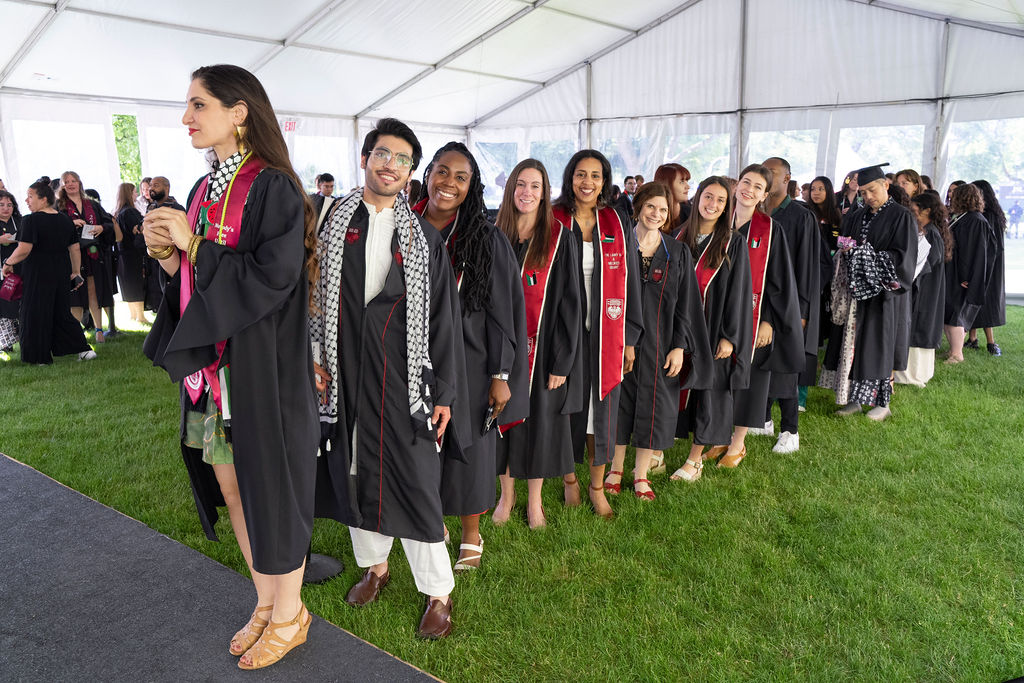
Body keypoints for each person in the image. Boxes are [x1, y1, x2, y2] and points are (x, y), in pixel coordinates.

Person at [141, 64, 319, 670]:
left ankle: (292, 614)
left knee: (272, 484)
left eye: (198, 105)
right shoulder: (202, 189)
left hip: (261, 369)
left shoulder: (274, 188)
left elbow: (274, 278)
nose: (186, 118)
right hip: (216, 374)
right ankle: (268, 601)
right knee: (234, 484)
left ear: (239, 112)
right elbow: (198, 283)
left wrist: (195, 244)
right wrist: (169, 255)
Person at [309, 118, 468, 640]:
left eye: (402, 159)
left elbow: (443, 319)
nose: (390, 164)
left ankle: (437, 591)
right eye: (382, 153)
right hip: (344, 371)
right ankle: (375, 567)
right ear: (365, 157)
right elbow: (306, 296)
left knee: (417, 480)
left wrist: (443, 390)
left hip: (404, 376)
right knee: (352, 467)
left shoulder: (423, 237)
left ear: (410, 172)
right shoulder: (330, 222)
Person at [411, 142, 528, 572]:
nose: (449, 183)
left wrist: (501, 373)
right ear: (427, 174)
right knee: (423, 444)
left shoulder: (485, 237)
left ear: (472, 185)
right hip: (414, 355)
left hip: (472, 362)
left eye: (461, 177)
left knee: (471, 449)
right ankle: (432, 520)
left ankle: (471, 535)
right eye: (442, 172)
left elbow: (502, 313)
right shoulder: (403, 226)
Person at [552, 150, 643, 519]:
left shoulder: (616, 221)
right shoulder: (554, 218)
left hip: (607, 331)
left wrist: (631, 337)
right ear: (569, 178)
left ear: (605, 181)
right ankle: (568, 479)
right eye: (580, 174)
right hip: (563, 333)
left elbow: (632, 280)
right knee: (564, 407)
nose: (587, 182)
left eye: (595, 175)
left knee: (599, 412)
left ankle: (596, 486)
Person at [607, 181, 710, 499]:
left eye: (663, 209)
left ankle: (641, 476)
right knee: (620, 404)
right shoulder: (619, 247)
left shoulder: (676, 251)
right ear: (638, 207)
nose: (656, 213)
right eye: (651, 206)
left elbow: (686, 306)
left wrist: (679, 346)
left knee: (653, 408)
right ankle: (614, 469)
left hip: (662, 343)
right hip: (619, 340)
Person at [493, 159, 581, 529]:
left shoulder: (560, 237)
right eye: (521, 184)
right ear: (511, 188)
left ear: (545, 193)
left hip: (542, 349)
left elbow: (571, 303)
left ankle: (534, 502)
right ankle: (506, 496)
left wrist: (562, 362)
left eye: (536, 186)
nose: (527, 193)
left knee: (540, 425)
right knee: (502, 422)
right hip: (502, 350)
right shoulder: (494, 234)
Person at [819, 164, 917, 422]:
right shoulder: (856, 215)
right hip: (853, 292)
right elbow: (843, 242)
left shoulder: (901, 216)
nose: (868, 196)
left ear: (886, 185)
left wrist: (865, 257)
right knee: (850, 345)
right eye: (863, 192)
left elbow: (903, 257)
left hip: (882, 295)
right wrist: (847, 250)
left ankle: (882, 403)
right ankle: (853, 399)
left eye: (872, 190)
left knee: (877, 346)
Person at [671, 176, 752, 482]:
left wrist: (730, 337)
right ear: (697, 199)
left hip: (713, 329)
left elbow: (739, 293)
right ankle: (657, 452)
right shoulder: (678, 237)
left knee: (709, 394)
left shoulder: (733, 242)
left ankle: (695, 460)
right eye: (708, 197)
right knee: (671, 389)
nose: (713, 205)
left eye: (720, 200)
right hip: (678, 332)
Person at [721, 164, 802, 466]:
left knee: (749, 379)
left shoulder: (770, 230)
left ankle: (737, 444)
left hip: (753, 318)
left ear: (765, 194)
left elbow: (779, 281)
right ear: (736, 185)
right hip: (718, 315)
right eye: (745, 182)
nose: (749, 190)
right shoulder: (718, 221)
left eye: (757, 187)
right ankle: (718, 436)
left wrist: (767, 318)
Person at [760, 157, 821, 452]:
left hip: (789, 303)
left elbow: (808, 267)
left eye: (772, 173)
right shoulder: (756, 213)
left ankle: (790, 431)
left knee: (785, 366)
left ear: (787, 179)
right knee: (761, 363)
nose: (766, 177)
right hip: (759, 305)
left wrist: (803, 311)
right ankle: (762, 419)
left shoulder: (800, 216)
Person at [2, 181, 94, 363]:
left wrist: (8, 262)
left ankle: (39, 357)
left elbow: (24, 249)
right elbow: (74, 248)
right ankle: (84, 350)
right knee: (61, 313)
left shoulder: (31, 220)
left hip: (37, 274)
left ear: (44, 199)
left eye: (30, 196)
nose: (26, 200)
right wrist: (75, 272)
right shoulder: (65, 219)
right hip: (61, 272)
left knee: (35, 314)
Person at [893, 192, 949, 386]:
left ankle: (913, 376)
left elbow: (926, 263)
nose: (912, 213)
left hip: (925, 291)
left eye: (915, 210)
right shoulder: (926, 231)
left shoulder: (931, 233)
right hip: (921, 289)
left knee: (919, 328)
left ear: (927, 211)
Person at [59, 171, 115, 343]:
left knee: (93, 290)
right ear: (62, 186)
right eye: (66, 181)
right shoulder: (59, 207)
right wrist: (70, 223)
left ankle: (99, 329)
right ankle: (74, 335)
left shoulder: (92, 204)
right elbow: (53, 229)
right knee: (74, 294)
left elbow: (108, 223)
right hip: (70, 256)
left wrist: (100, 228)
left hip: (92, 254)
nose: (70, 184)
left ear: (79, 183)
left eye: (73, 180)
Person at [943, 184, 990, 364]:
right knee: (949, 313)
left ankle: (957, 354)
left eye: (954, 194)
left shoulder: (975, 220)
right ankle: (953, 351)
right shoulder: (963, 217)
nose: (950, 196)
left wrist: (967, 277)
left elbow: (973, 252)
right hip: (953, 273)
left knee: (956, 315)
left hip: (962, 276)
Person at [966, 180, 1006, 356]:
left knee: (986, 302)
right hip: (982, 263)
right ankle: (972, 338)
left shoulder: (990, 216)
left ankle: (991, 342)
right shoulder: (980, 214)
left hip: (989, 265)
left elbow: (992, 246)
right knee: (973, 299)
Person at [808, 176, 843, 347]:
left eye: (820, 189)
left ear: (829, 191)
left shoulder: (837, 215)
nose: (816, 192)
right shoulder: (807, 214)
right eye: (813, 188)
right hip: (813, 267)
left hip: (833, 268)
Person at [113, 183, 147, 323]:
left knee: (127, 283)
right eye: (134, 192)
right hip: (133, 253)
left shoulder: (118, 212)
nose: (136, 195)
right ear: (128, 193)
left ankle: (133, 315)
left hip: (122, 253)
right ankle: (140, 316)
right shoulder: (130, 212)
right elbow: (138, 231)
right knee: (136, 282)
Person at [0, 190, 22, 348]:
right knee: (4, 307)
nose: (6, 208)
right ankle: (6, 344)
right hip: (1, 273)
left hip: (20, 272)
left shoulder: (21, 222)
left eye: (9, 205)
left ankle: (26, 339)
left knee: (20, 305)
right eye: (1, 205)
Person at [653, 163, 692, 229]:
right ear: (667, 184)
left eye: (687, 181)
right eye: (682, 182)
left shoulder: (690, 214)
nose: (688, 186)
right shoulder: (651, 213)